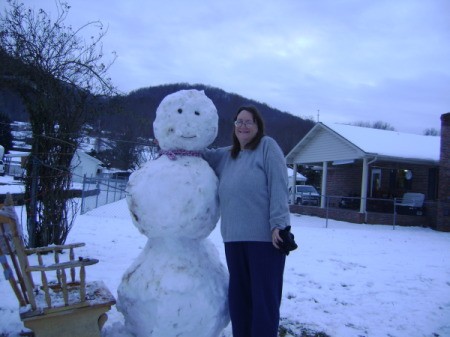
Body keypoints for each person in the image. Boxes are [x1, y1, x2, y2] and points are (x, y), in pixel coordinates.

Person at [204, 106, 291, 337]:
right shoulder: (227, 155)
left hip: (265, 239)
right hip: (233, 238)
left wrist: (279, 225)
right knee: (239, 299)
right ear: (233, 126)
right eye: (239, 121)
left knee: (263, 301)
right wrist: (171, 144)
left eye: (248, 122)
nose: (243, 126)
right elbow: (199, 154)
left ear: (257, 126)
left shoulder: (267, 146)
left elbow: (279, 186)